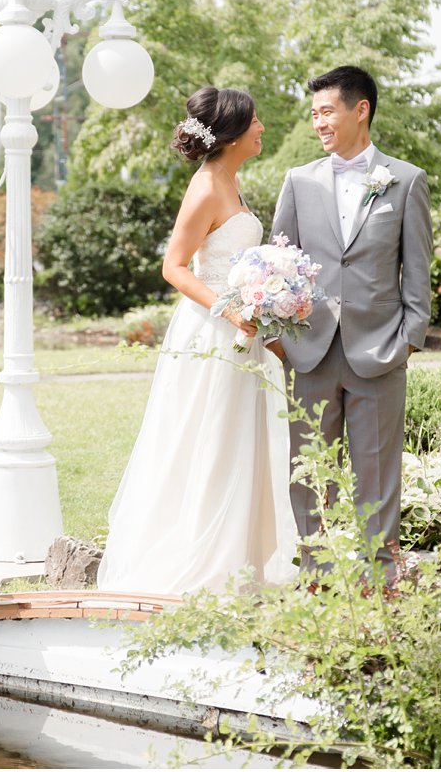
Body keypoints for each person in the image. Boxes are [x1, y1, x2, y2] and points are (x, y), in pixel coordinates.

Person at [97, 86, 298, 595]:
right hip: (213, 331)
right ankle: (204, 566)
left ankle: (242, 563)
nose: (262, 128)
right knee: (210, 439)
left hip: (243, 331)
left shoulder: (232, 180)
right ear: (231, 134)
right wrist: (228, 308)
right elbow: (174, 266)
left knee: (241, 441)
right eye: (255, 121)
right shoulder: (207, 185)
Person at [269, 65, 433, 576]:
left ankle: (379, 578)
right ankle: (316, 574)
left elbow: (418, 269)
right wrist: (280, 340)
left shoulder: (406, 181)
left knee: (377, 470)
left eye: (326, 112)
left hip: (381, 351)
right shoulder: (298, 181)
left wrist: (409, 339)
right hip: (310, 350)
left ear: (360, 110)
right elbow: (279, 261)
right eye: (314, 113)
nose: (318, 123)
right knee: (310, 470)